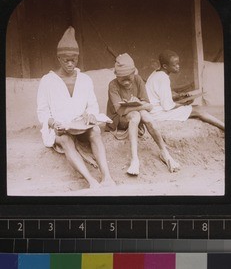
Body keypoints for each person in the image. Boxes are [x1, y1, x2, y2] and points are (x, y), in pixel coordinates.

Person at [37, 26, 115, 189]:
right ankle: (91, 181)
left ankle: (107, 177)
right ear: (59, 58)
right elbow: (43, 111)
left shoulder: (85, 79)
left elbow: (92, 106)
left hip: (81, 125)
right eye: (66, 60)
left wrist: (90, 115)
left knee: (95, 132)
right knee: (65, 139)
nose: (71, 63)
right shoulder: (47, 80)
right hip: (60, 127)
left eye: (74, 59)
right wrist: (52, 123)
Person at [106, 53, 180, 175]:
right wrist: (140, 105)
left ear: (133, 73)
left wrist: (138, 104)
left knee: (145, 115)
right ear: (116, 76)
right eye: (121, 78)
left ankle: (165, 152)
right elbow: (120, 111)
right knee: (136, 114)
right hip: (118, 119)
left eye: (128, 77)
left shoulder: (138, 79)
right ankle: (135, 160)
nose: (125, 82)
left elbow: (149, 106)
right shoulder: (113, 85)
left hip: (136, 113)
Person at [146, 50, 224, 130]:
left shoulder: (156, 73)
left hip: (155, 110)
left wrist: (180, 99)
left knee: (194, 108)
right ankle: (224, 127)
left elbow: (162, 98)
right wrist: (184, 104)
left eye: (178, 63)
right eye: (174, 65)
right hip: (158, 113)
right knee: (198, 110)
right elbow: (167, 107)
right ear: (165, 66)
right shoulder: (163, 79)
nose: (178, 66)